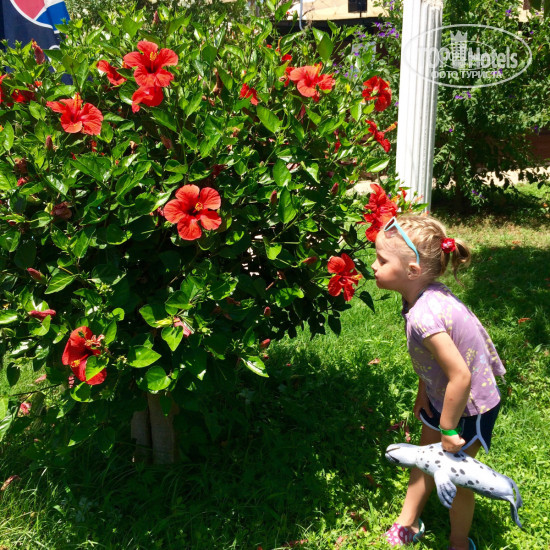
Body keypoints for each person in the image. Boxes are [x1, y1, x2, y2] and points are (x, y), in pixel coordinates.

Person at [371, 214, 505, 550]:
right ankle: (408, 521)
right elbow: (431, 361)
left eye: (382, 260)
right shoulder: (418, 297)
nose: (373, 266)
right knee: (423, 458)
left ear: (412, 271)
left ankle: (459, 541)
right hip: (441, 397)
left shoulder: (424, 316)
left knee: (458, 478)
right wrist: (424, 393)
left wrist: (448, 428)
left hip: (469, 407)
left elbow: (461, 375)